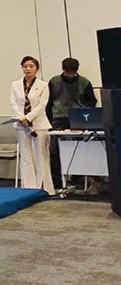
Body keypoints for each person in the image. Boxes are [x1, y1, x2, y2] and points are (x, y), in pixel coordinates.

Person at [47, 57, 98, 192]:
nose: (70, 75)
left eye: (72, 72)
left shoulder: (84, 82)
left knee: (79, 150)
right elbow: (48, 102)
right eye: (67, 72)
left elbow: (92, 102)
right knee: (55, 151)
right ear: (63, 70)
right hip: (58, 119)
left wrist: (86, 117)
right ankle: (57, 182)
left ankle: (77, 180)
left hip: (79, 119)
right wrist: (49, 121)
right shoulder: (54, 82)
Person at [10, 56, 55, 195]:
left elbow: (42, 105)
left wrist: (28, 117)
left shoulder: (43, 85)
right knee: (25, 155)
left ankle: (44, 188)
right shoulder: (15, 84)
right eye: (25, 66)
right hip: (21, 124)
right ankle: (28, 187)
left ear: (37, 69)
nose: (28, 69)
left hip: (39, 123)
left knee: (41, 155)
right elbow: (13, 102)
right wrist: (22, 118)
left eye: (31, 66)